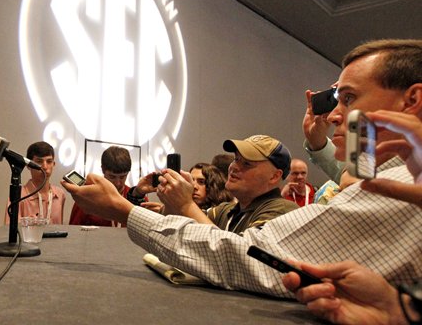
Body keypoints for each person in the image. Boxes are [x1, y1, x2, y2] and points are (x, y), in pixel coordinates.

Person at [61, 39, 422, 298]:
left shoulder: (397, 189)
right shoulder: (232, 209)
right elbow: (357, 173)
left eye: (349, 98)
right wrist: (320, 142)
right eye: (235, 160)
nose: (336, 114)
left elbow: (244, 256)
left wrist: (125, 210)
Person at [283, 109, 422, 324]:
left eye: (348, 98)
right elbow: (350, 171)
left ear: (411, 100)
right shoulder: (381, 178)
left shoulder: (397, 185)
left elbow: (256, 251)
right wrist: (398, 310)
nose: (332, 116)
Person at [69, 146, 147, 226]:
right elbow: (74, 232)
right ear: (103, 169)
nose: (118, 183)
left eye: (122, 177)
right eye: (112, 177)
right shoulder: (87, 197)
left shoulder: (138, 198)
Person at [7, 141, 66, 224]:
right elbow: (8, 230)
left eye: (49, 161)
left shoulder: (60, 194)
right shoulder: (18, 195)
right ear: (28, 165)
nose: (45, 167)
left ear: (54, 164)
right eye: (39, 161)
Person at [141, 162, 233, 215]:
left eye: (201, 182)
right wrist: (137, 192)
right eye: (191, 181)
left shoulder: (222, 213)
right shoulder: (177, 209)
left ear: (214, 186)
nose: (194, 186)